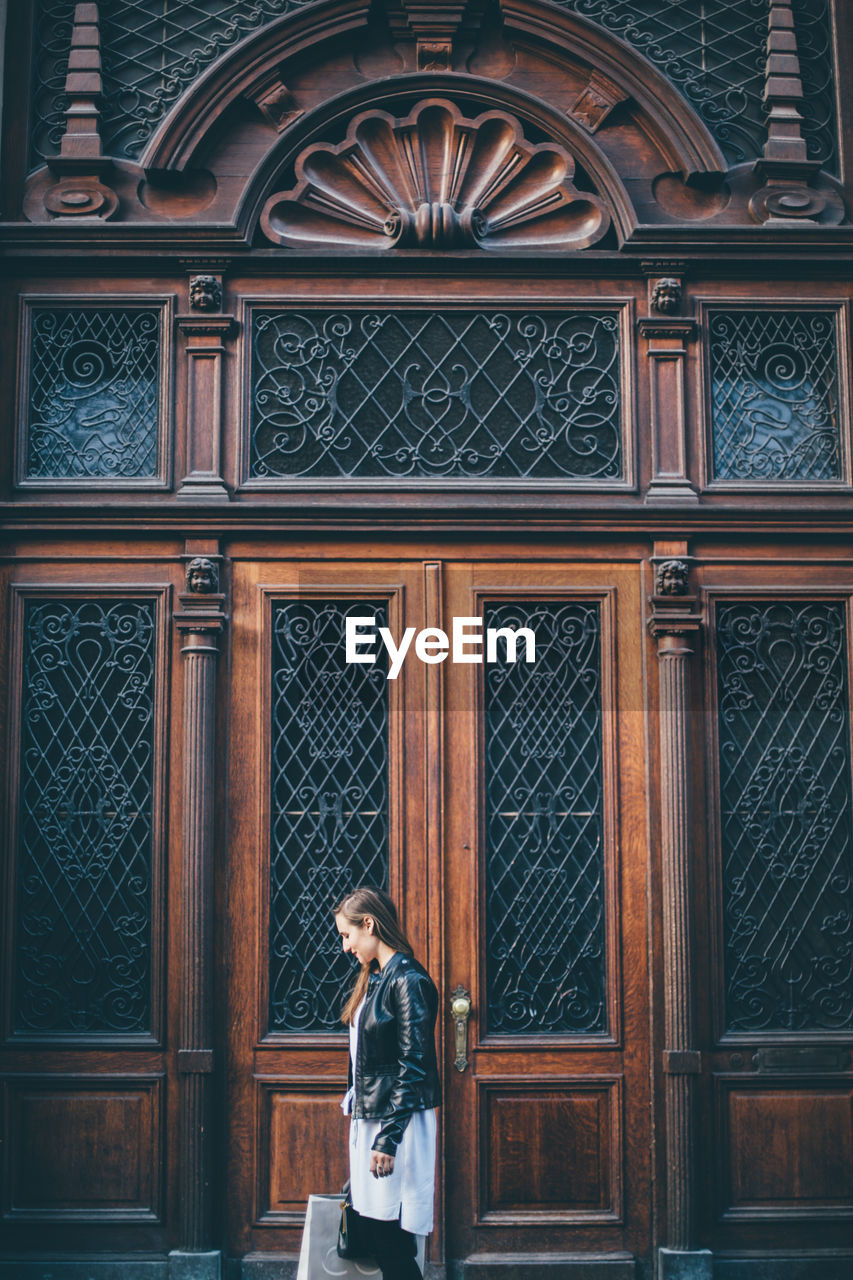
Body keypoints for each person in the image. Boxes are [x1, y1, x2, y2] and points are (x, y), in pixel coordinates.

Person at [334, 886, 440, 1280]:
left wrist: (387, 1139)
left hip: (397, 1122)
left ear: (370, 925)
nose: (346, 947)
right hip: (374, 1116)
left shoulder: (407, 980)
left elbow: (413, 1063)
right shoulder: (376, 978)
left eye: (347, 935)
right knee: (378, 1229)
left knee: (387, 1234)